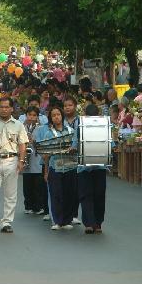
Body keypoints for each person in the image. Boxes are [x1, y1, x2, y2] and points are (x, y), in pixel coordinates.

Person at [0, 97, 28, 233]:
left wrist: (21, 161)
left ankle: (6, 222)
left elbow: (22, 145)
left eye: (6, 107)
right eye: (1, 107)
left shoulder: (18, 125)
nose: (4, 109)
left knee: (10, 194)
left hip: (12, 160)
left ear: (11, 109)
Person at [35, 105, 77, 230]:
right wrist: (46, 171)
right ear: (51, 118)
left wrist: (73, 149)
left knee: (69, 194)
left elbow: (77, 148)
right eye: (53, 115)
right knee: (56, 194)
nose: (56, 117)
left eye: (58, 114)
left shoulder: (71, 131)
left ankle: (67, 220)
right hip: (55, 167)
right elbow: (45, 155)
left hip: (70, 167)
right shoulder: (48, 133)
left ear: (62, 116)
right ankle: (57, 221)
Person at [73, 104, 109, 234]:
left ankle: (91, 223)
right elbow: (111, 143)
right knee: (98, 194)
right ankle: (96, 223)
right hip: (99, 166)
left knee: (86, 194)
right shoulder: (104, 124)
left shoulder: (81, 124)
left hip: (85, 167)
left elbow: (75, 143)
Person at [63, 95, 81, 225]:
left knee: (75, 187)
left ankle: (74, 214)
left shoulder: (80, 121)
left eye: (70, 105)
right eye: (65, 106)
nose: (67, 108)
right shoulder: (60, 120)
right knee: (63, 186)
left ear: (75, 106)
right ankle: (63, 213)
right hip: (62, 157)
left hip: (77, 158)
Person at [22, 106, 44, 214]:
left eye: (34, 115)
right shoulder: (22, 127)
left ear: (37, 117)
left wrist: (33, 140)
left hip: (36, 158)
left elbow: (42, 143)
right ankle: (28, 205)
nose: (31, 117)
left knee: (38, 185)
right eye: (29, 115)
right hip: (26, 158)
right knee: (27, 184)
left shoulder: (41, 128)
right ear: (26, 115)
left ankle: (38, 206)